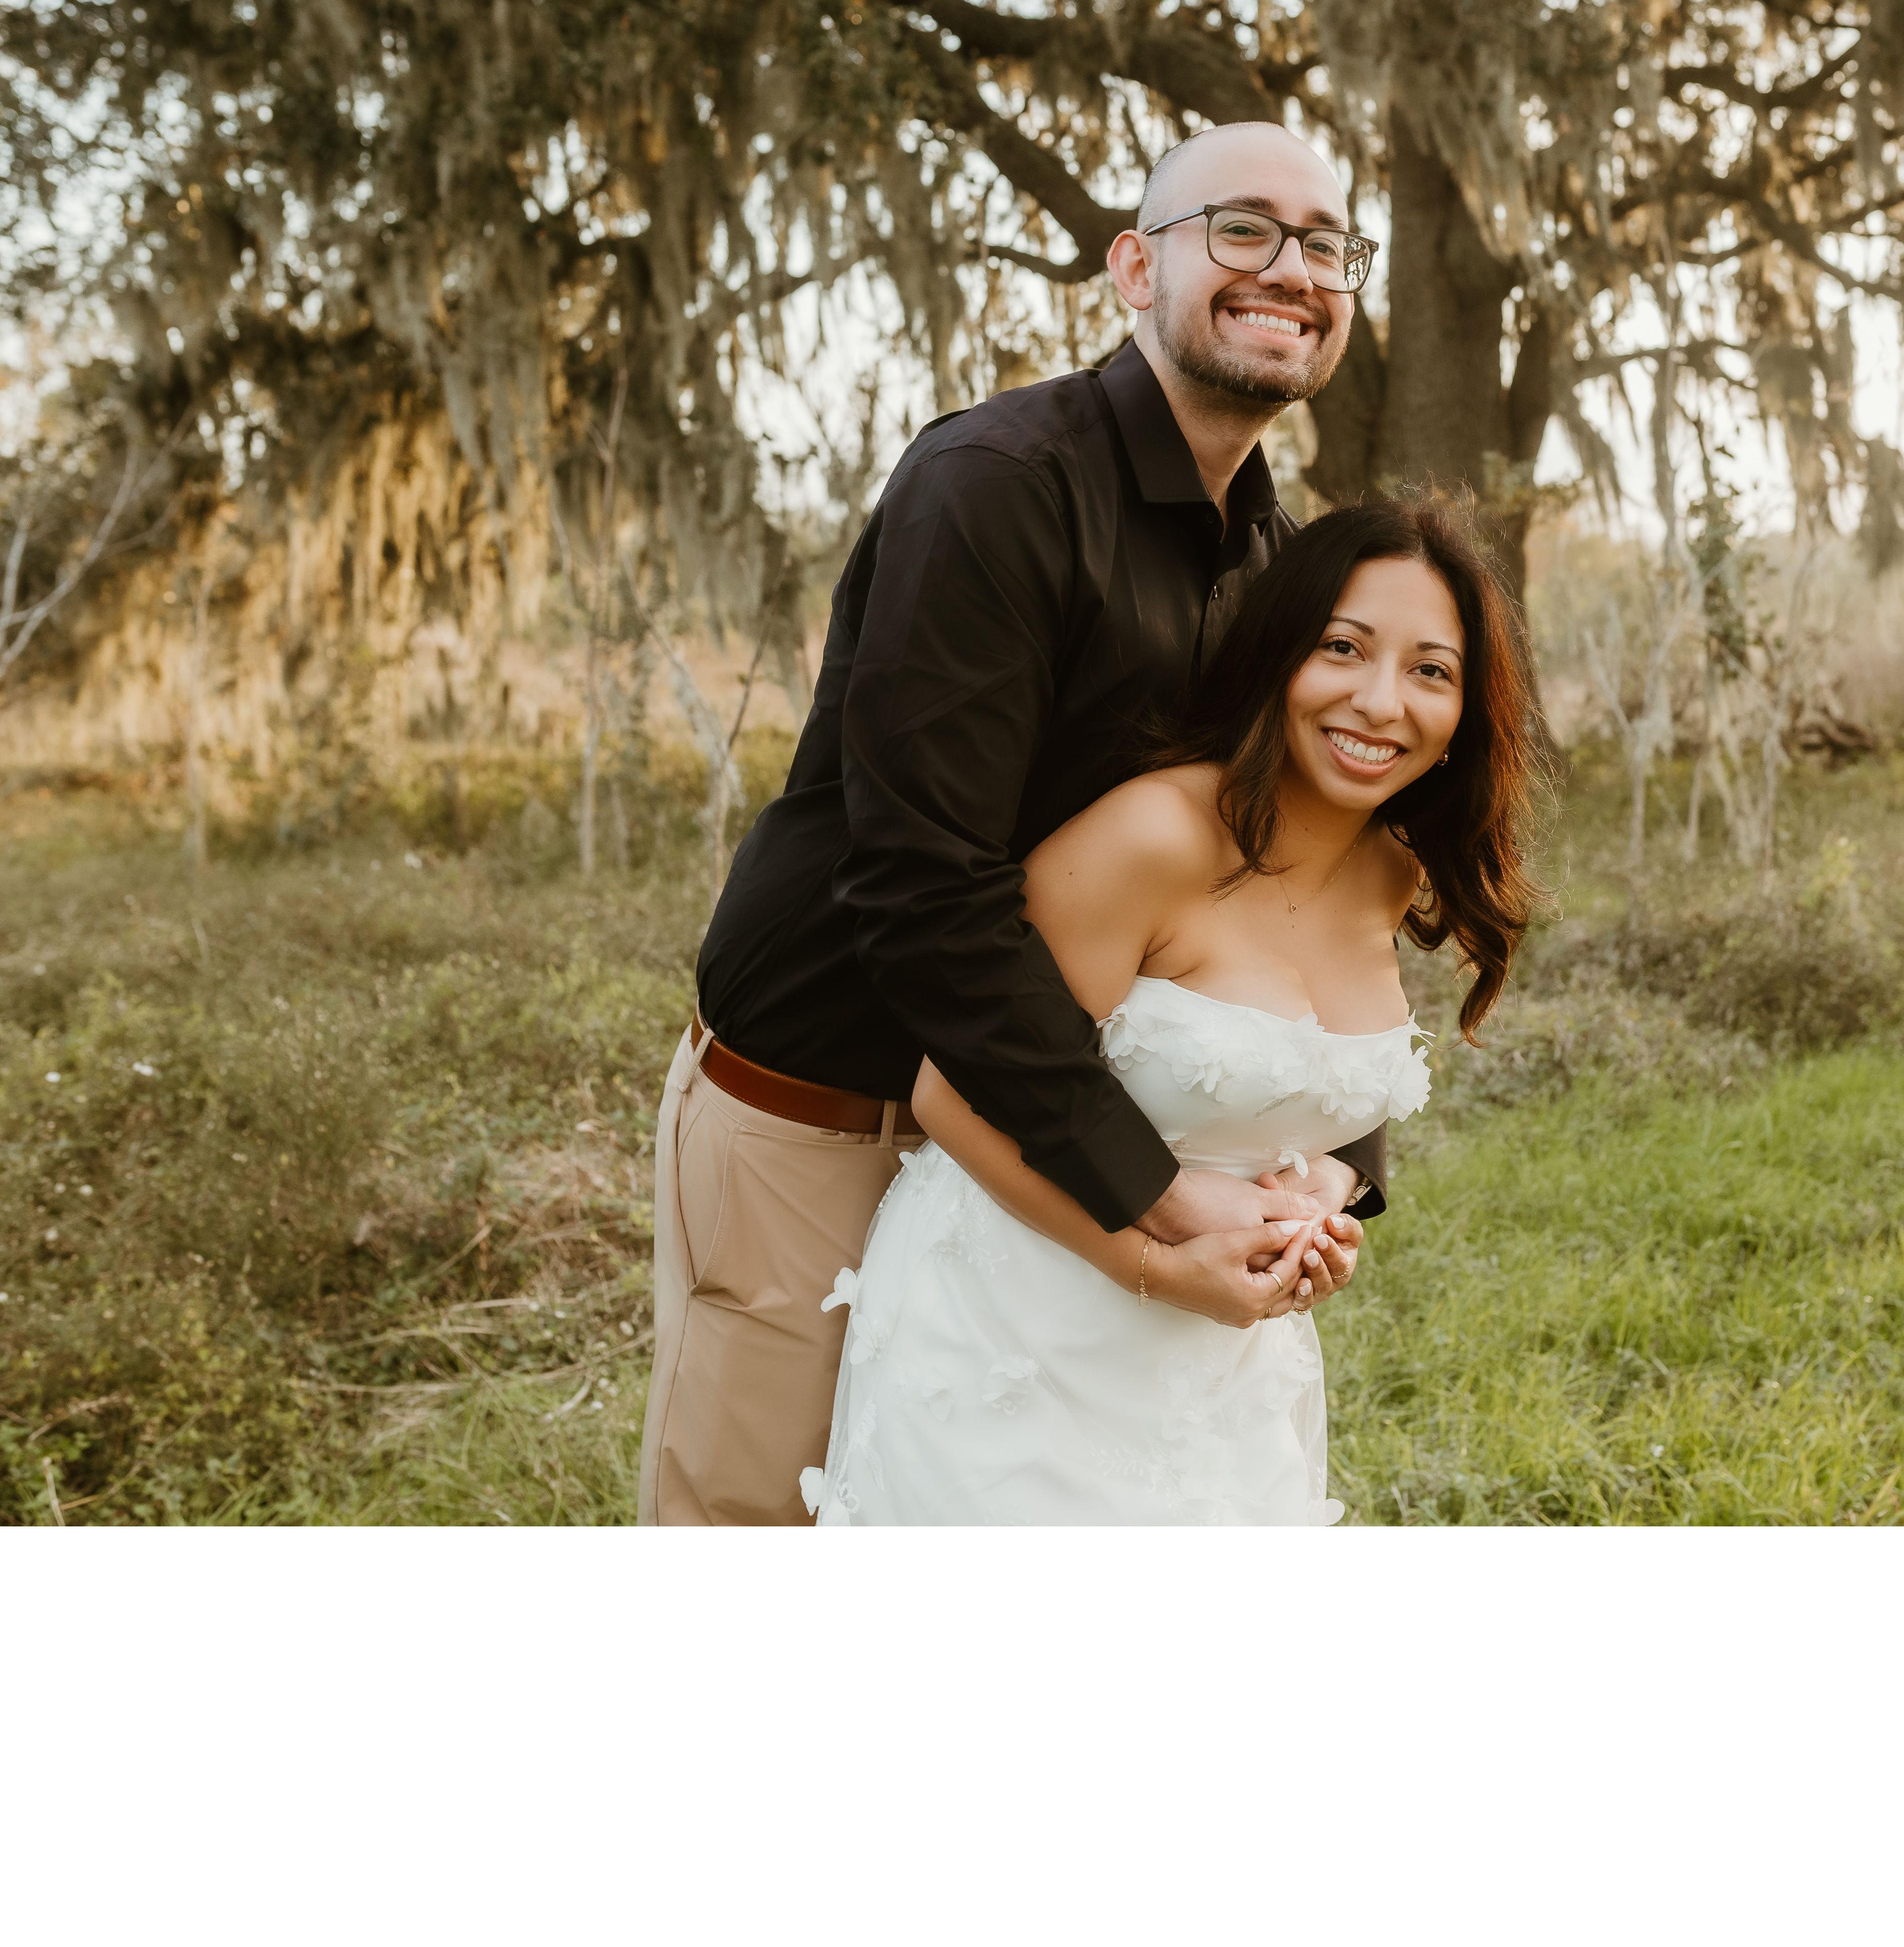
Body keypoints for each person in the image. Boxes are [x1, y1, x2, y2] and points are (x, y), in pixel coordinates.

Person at [639, 121, 1388, 1526]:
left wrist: (1318, 1166)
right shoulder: (995, 483)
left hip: (1043, 1134)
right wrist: (1158, 1194)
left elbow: (1284, 872)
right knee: (768, 1518)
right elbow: (925, 886)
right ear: (1134, 267)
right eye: (1242, 228)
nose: (1291, 269)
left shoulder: (1271, 555)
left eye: (1326, 243)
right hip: (836, 1108)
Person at [804, 498, 1542, 1524]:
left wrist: (1317, 1195)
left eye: (1430, 670)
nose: (1380, 702)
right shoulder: (1154, 836)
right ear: (1280, 653)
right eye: (1342, 647)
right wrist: (1152, 1266)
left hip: (1224, 1367)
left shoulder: (1389, 870)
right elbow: (952, 1093)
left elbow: (1311, 1070)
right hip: (1012, 1332)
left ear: (1468, 711)